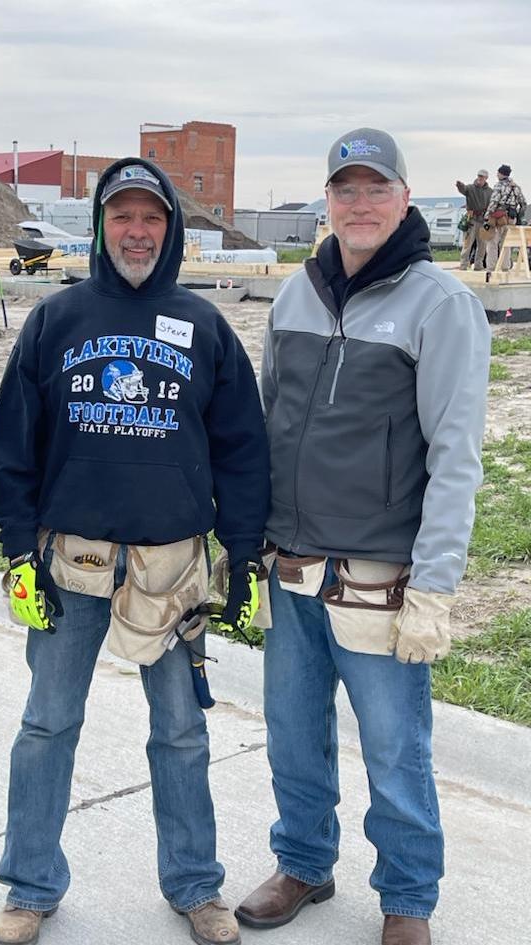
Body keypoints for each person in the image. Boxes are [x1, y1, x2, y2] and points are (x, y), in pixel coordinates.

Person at [0, 157, 270, 945]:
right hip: (70, 561)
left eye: (151, 218)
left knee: (181, 730)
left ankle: (195, 885)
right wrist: (16, 554)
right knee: (46, 724)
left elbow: (243, 451)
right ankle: (29, 886)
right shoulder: (56, 319)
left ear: (170, 227)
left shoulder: (205, 325)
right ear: (101, 227)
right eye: (123, 217)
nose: (137, 231)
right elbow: (10, 443)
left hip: (170, 570)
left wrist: (244, 556)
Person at [235, 128, 490, 945]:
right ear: (328, 201)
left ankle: (408, 898)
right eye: (345, 189)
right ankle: (304, 863)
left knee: (395, 751)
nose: (360, 203)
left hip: (378, 580)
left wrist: (437, 586)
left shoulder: (439, 303)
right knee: (293, 736)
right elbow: (270, 424)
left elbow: (456, 455)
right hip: (291, 566)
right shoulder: (295, 295)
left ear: (404, 199)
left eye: (376, 188)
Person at [483, 164, 527, 272]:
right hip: (511, 217)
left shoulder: (499, 186)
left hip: (499, 217)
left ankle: (491, 267)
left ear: (501, 174)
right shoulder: (516, 187)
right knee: (506, 243)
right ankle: (505, 267)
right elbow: (523, 203)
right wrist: (517, 215)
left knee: (492, 242)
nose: (497, 174)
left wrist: (487, 215)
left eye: (498, 172)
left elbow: (494, 202)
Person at [455, 169, 491, 270]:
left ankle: (478, 265)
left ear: (486, 178)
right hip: (472, 219)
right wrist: (460, 185)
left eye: (482, 176)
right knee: (467, 244)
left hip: (484, 220)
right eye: (479, 176)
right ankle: (463, 264)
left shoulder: (490, 191)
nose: (480, 178)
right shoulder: (470, 188)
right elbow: (463, 190)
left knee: (482, 245)